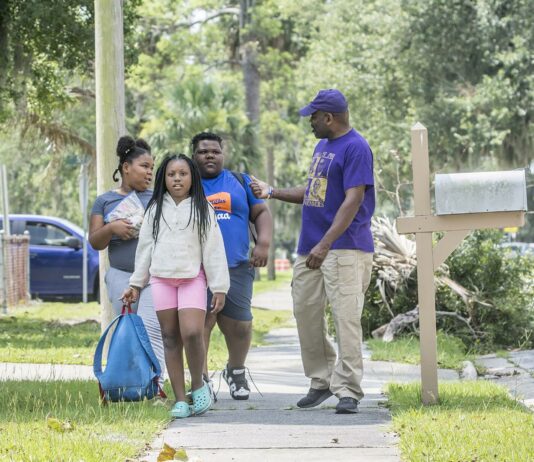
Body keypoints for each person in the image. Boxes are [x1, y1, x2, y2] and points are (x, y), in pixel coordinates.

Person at [250, 89, 375, 414]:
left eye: (313, 117)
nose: (310, 123)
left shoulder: (356, 147)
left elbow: (354, 199)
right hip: (311, 248)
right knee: (305, 311)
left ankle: (348, 389)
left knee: (346, 318)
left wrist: (326, 243)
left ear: (329, 117)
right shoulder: (323, 147)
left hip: (345, 248)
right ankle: (321, 380)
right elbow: (314, 192)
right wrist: (273, 191)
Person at [121, 154, 229, 419]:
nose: (177, 179)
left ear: (192, 177)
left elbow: (213, 250)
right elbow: (145, 249)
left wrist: (219, 287)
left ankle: (198, 385)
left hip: (193, 278)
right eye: (171, 174)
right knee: (170, 337)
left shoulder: (203, 208)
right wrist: (136, 283)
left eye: (183, 174)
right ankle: (180, 399)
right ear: (164, 179)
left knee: (192, 332)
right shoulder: (155, 210)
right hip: (161, 279)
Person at [192, 132, 272, 400]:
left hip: (236, 266)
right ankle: (201, 382)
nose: (210, 155)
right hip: (197, 270)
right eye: (203, 152)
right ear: (194, 156)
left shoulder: (241, 181)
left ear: (223, 155)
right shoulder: (186, 183)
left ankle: (236, 371)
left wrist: (263, 244)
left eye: (215, 151)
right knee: (200, 324)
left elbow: (261, 212)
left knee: (240, 325)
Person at [89, 135, 165, 378]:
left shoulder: (157, 198)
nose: (149, 172)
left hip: (154, 277)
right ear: (125, 167)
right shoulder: (105, 201)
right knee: (128, 329)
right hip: (120, 276)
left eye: (152, 168)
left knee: (151, 327)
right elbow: (95, 242)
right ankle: (130, 380)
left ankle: (157, 381)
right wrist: (112, 229)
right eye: (144, 166)